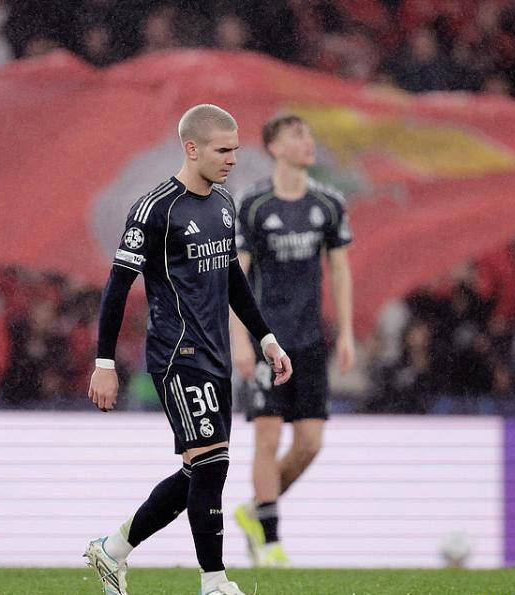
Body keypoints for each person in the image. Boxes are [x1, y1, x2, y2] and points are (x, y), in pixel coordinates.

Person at [84, 104, 293, 595]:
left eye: (235, 149)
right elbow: (117, 287)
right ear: (191, 148)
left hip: (217, 354)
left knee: (198, 471)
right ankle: (214, 581)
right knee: (213, 463)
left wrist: (265, 338)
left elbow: (233, 277)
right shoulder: (154, 209)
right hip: (177, 354)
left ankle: (112, 549)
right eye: (223, 150)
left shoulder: (223, 203)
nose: (232, 159)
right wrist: (104, 363)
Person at [231, 114, 355, 567]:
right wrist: (240, 341)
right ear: (274, 147)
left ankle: (255, 510)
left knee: (310, 443)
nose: (308, 141)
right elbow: (236, 277)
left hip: (309, 342)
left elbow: (339, 269)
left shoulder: (329, 203)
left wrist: (346, 333)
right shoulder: (254, 205)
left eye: (309, 133)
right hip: (266, 341)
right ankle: (269, 543)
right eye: (297, 135)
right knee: (267, 436)